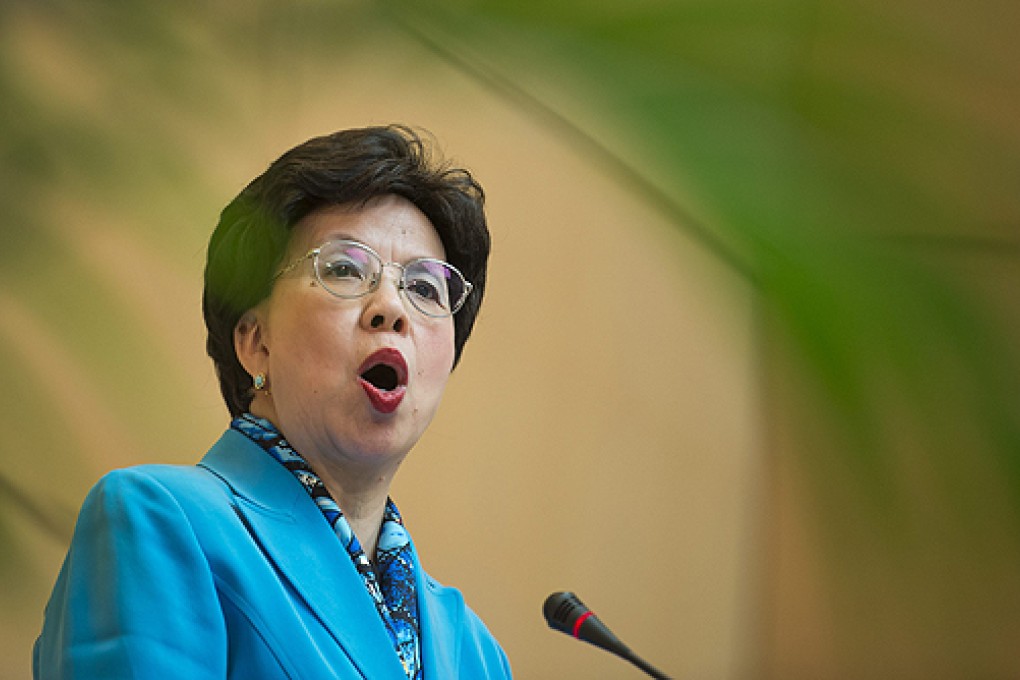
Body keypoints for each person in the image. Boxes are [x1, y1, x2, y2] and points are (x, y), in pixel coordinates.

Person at [33, 125, 512, 679]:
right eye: (344, 269)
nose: (392, 309)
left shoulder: (474, 651)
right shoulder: (161, 523)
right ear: (255, 341)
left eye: (426, 288)